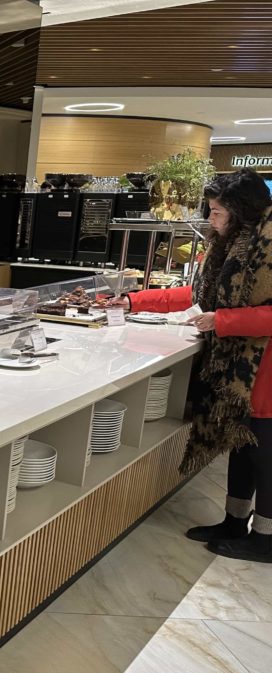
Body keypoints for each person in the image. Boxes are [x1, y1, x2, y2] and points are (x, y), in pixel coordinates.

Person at [109, 169, 272, 563]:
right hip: (238, 369)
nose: (212, 221)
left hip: (265, 371)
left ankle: (266, 539)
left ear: (240, 211)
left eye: (217, 213)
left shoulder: (266, 248)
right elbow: (200, 295)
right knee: (240, 444)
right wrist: (134, 300)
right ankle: (235, 520)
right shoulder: (232, 247)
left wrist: (224, 321)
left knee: (265, 454)